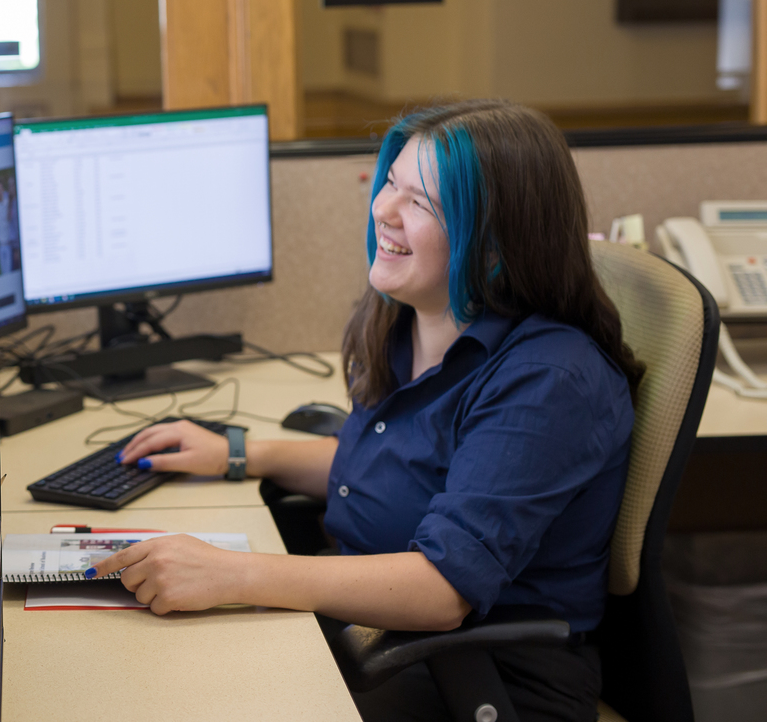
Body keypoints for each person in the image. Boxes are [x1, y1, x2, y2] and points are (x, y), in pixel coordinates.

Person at [94, 100, 642, 722]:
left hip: (476, 678)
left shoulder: (549, 382)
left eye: (421, 202)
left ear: (497, 242)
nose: (384, 209)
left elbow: (442, 590)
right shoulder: (408, 323)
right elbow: (389, 467)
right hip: (375, 637)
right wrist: (237, 454)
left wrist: (231, 574)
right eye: (391, 184)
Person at [0, 179, 14, 275]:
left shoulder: (7, 203)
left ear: (3, 189)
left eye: (0, 189)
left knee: (9, 271)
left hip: (8, 243)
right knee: (3, 272)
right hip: (1, 245)